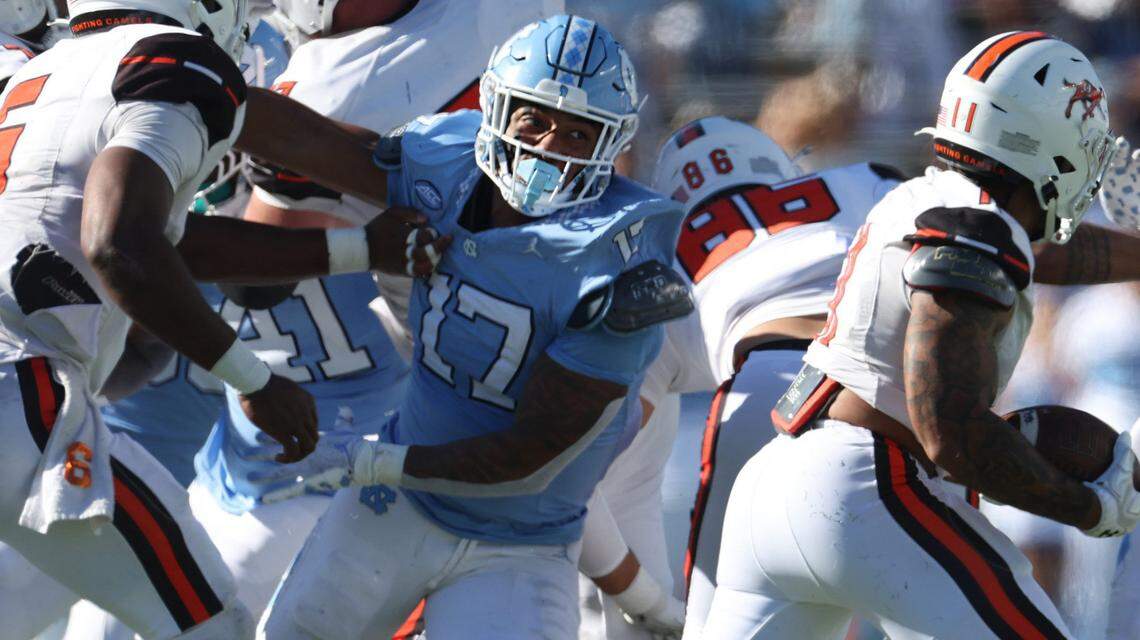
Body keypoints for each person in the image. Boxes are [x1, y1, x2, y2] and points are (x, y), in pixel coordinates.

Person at [0, 0, 447, 637]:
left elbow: (175, 236)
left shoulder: (41, 74)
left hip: (20, 392)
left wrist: (367, 242)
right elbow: (121, 246)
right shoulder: (173, 62)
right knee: (211, 623)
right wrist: (253, 381)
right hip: (21, 395)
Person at [255, 14, 691, 639]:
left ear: (609, 141)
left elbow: (529, 458)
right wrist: (204, 91)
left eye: (576, 132)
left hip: (520, 543)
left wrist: (380, 464)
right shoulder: (447, 159)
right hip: (399, 506)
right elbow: (316, 145)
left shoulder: (620, 264)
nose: (547, 146)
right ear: (495, 105)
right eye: (534, 119)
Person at [702, 31, 1140, 639]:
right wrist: (1086, 505)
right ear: (1043, 138)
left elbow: (1044, 256)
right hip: (865, 487)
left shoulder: (928, 199)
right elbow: (949, 430)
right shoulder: (977, 227)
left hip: (775, 488)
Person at [576, 116, 903, 640]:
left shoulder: (650, 262)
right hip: (888, 392)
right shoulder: (863, 180)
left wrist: (644, 599)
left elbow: (579, 475)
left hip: (764, 403)